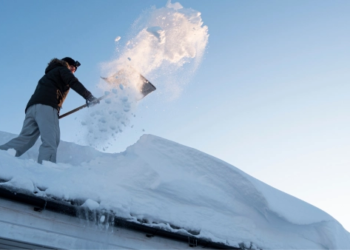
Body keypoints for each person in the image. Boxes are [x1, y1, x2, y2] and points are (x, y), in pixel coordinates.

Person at [0, 57, 99, 164]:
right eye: (73, 68)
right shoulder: (62, 70)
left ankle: (2, 156)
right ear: (68, 64)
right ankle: (46, 171)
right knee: (51, 140)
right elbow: (73, 82)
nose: (73, 71)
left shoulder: (48, 75)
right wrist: (89, 97)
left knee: (25, 139)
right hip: (47, 107)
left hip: (32, 108)